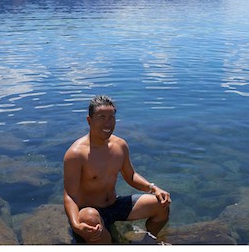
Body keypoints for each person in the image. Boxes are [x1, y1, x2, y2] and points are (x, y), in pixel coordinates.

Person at [63, 95, 171, 244]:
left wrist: (154, 188)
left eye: (111, 117)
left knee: (161, 204)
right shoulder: (76, 154)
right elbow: (70, 195)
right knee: (89, 218)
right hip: (92, 213)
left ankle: (147, 241)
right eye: (101, 117)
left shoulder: (120, 145)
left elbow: (130, 176)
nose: (107, 123)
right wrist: (76, 224)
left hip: (115, 204)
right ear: (89, 121)